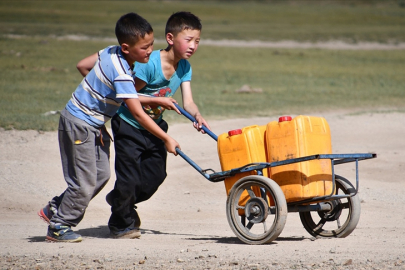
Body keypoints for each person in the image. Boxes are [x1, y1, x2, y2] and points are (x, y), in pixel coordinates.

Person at [37, 12, 180, 243]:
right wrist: (166, 138)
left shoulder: (109, 51)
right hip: (79, 125)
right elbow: (136, 113)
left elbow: (82, 65)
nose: (150, 51)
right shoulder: (123, 73)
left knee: (101, 175)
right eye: (144, 47)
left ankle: (56, 207)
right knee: (83, 182)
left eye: (152, 44)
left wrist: (99, 105)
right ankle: (60, 225)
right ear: (126, 47)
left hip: (92, 123)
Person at [78, 11, 209, 238]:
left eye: (197, 41)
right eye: (188, 40)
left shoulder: (185, 67)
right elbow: (127, 96)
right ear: (170, 38)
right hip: (129, 125)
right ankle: (121, 223)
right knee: (129, 179)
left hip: (155, 127)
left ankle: (121, 200)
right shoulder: (149, 65)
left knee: (155, 177)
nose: (193, 46)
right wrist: (157, 100)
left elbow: (188, 101)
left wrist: (197, 115)